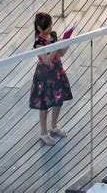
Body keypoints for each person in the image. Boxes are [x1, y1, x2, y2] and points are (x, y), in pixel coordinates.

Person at [29, 12, 73, 146]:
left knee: (58, 101)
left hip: (57, 72)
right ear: (39, 28)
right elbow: (47, 60)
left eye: (51, 25)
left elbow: (61, 53)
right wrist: (54, 45)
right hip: (44, 75)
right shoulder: (38, 43)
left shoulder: (52, 35)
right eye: (47, 27)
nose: (50, 28)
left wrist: (66, 42)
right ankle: (43, 132)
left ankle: (53, 126)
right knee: (44, 106)